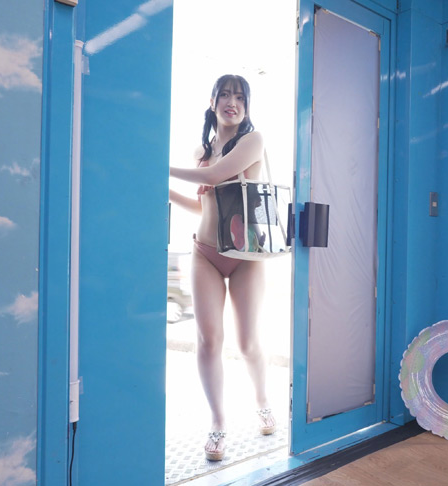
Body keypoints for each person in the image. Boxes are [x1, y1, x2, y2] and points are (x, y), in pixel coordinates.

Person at [169, 74, 276, 461]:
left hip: (245, 256)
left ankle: (263, 402)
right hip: (204, 252)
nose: (233, 102)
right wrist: (166, 190)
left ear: (247, 106)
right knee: (208, 340)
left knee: (247, 343)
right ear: (212, 102)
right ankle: (217, 424)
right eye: (225, 95)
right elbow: (204, 205)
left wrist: (161, 169)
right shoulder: (202, 150)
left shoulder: (252, 140)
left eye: (240, 97)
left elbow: (214, 177)